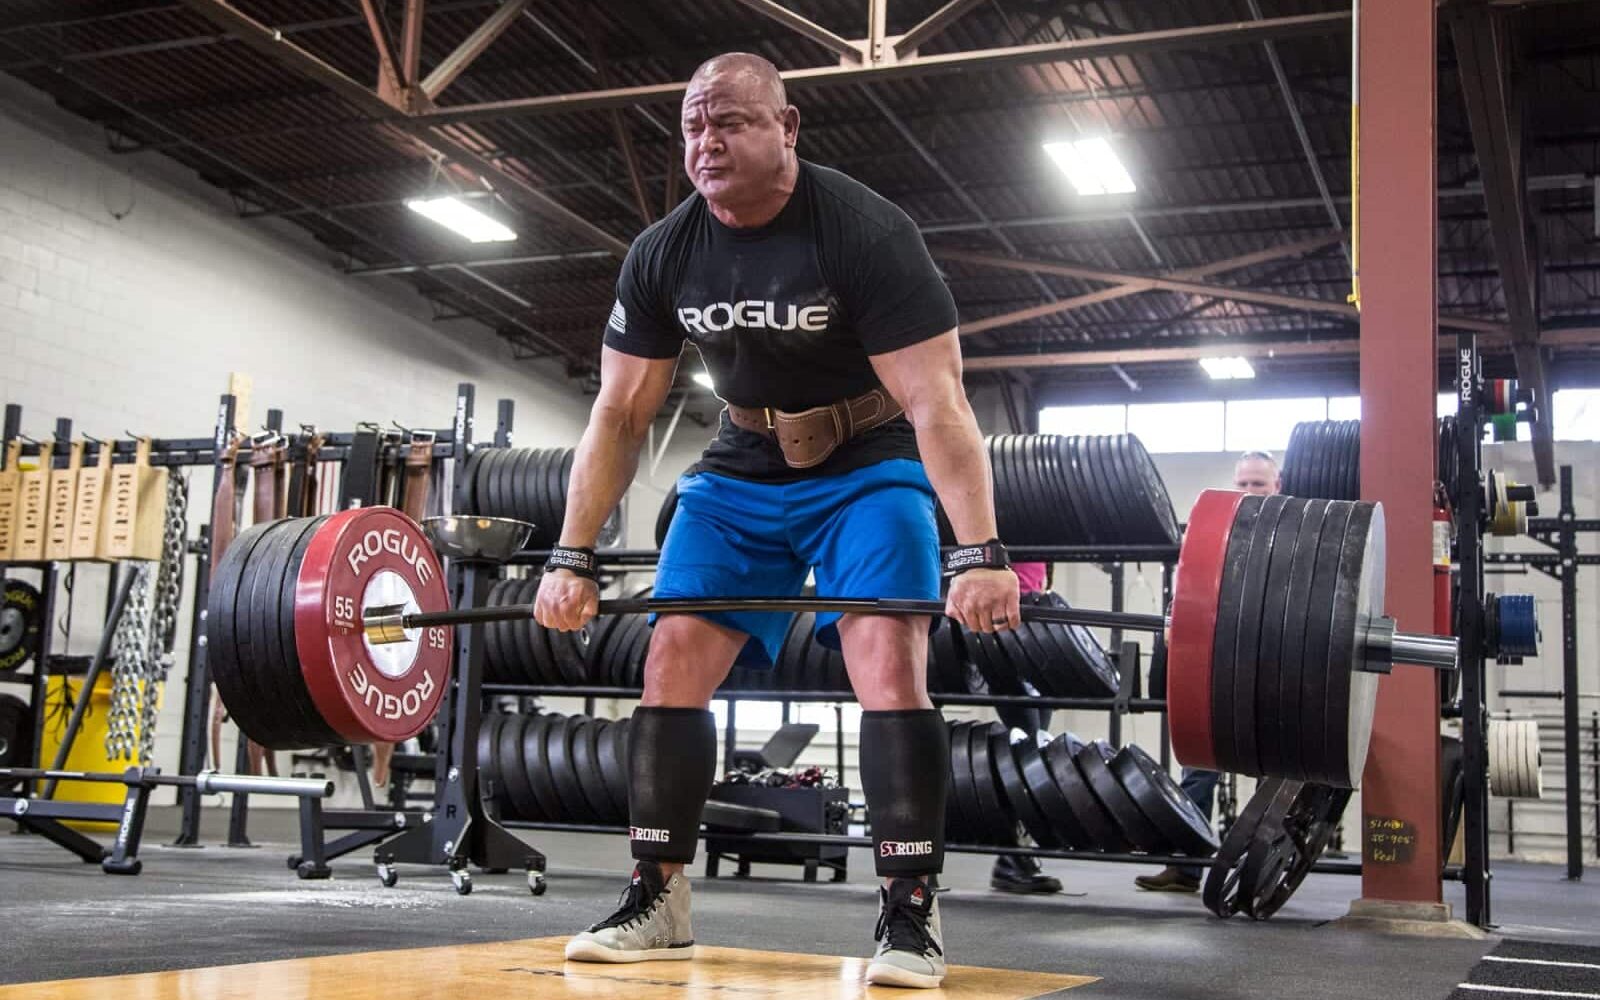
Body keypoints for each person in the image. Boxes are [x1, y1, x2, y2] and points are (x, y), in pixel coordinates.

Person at [535, 53, 1018, 989]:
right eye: (692, 128)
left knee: (887, 655)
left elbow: (939, 404)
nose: (706, 144)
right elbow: (620, 413)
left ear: (787, 129)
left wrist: (980, 556)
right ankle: (657, 894)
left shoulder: (865, 231)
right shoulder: (664, 251)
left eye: (731, 124)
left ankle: (910, 912)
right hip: (741, 469)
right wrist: (573, 555)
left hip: (869, 466)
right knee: (670, 657)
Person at [1136, 450, 1280, 893]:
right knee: (1199, 765)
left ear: (1277, 487)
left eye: (1259, 484)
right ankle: (1185, 866)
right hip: (1217, 663)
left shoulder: (1289, 535)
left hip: (1270, 665)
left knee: (1272, 772)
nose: (1249, 491)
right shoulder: (1214, 534)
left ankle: (1261, 873)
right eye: (1243, 483)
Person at [990, 561, 1063, 894]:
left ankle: (1016, 856)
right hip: (1003, 626)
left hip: (1036, 626)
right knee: (1026, 751)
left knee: (1037, 752)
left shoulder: (1047, 519)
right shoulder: (1008, 511)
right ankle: (1011, 859)